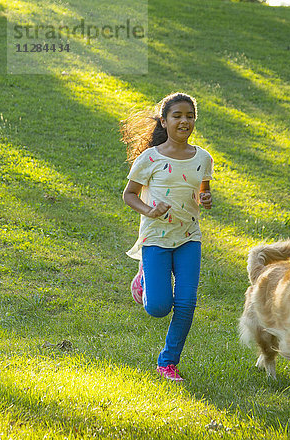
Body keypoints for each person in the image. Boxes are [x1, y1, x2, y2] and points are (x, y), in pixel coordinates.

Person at [120, 92, 213, 381]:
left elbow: (202, 191)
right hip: (156, 238)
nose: (184, 121)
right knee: (159, 307)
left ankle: (167, 362)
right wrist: (150, 209)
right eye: (177, 115)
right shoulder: (149, 158)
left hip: (189, 237)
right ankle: (144, 278)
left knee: (186, 302)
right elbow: (129, 195)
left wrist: (206, 198)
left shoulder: (203, 158)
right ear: (164, 120)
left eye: (189, 116)